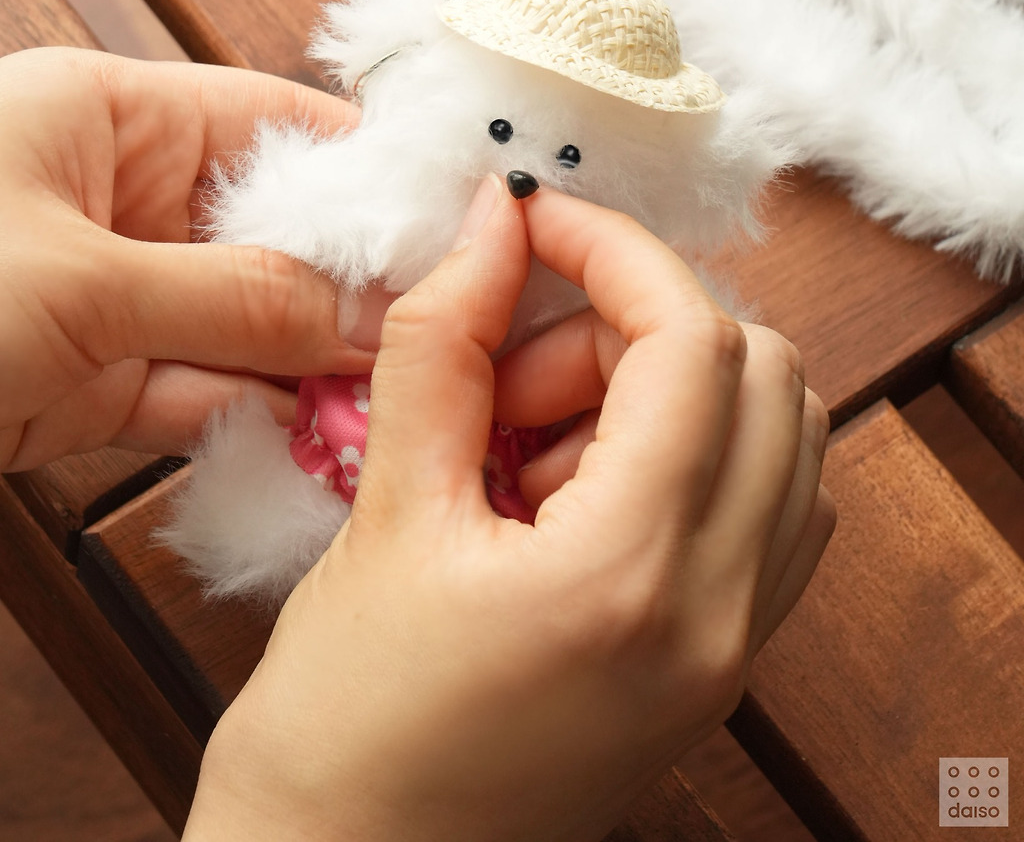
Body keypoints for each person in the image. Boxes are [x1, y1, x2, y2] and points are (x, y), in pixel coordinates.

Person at [0, 46, 836, 841]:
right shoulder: (390, 219)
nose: (524, 172)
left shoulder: (558, 318)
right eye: (503, 133)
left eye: (568, 156)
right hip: (342, 468)